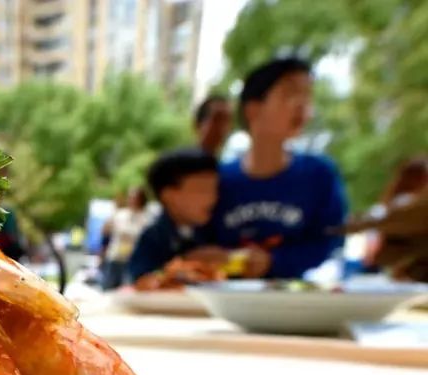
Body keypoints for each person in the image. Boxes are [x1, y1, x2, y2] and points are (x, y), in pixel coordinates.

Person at [209, 57, 348, 280]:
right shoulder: (217, 180)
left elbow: (330, 241)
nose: (302, 105)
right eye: (290, 94)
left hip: (296, 297)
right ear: (253, 109)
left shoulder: (319, 174)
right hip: (221, 295)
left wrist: (274, 262)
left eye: (307, 96)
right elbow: (196, 242)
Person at [127, 148, 228, 288]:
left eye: (214, 189)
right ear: (169, 195)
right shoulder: (154, 237)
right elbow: (139, 279)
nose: (212, 198)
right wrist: (184, 263)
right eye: (202, 190)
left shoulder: (214, 231)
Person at [101, 187, 149, 290]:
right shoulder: (120, 215)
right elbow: (105, 232)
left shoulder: (146, 219)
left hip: (132, 261)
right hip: (115, 257)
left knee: (127, 290)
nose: (131, 200)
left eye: (134, 197)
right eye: (130, 197)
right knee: (108, 289)